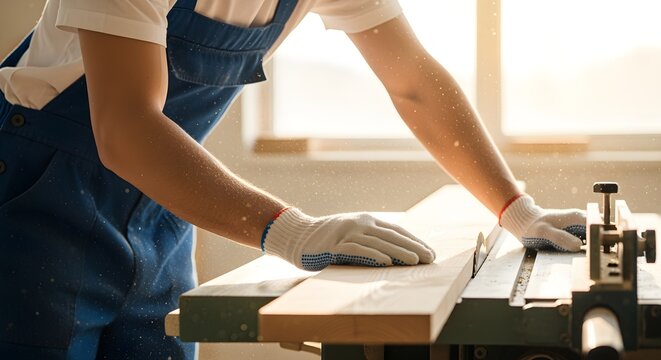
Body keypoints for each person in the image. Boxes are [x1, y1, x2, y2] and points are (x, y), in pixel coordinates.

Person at [0, 0, 586, 359]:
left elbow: (416, 84)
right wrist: (290, 231)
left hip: (162, 217)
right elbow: (126, 127)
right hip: (40, 209)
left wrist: (515, 209)